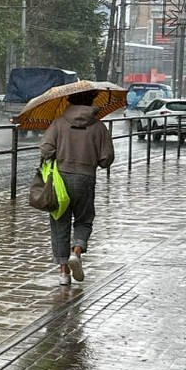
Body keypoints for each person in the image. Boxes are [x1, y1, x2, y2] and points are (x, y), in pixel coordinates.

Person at [40, 90, 115, 286]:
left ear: (69, 100)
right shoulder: (99, 127)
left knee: (59, 222)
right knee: (84, 220)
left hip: (60, 180)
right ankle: (77, 252)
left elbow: (46, 149)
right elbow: (106, 159)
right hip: (85, 179)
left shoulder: (58, 122)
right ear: (91, 101)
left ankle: (64, 273)